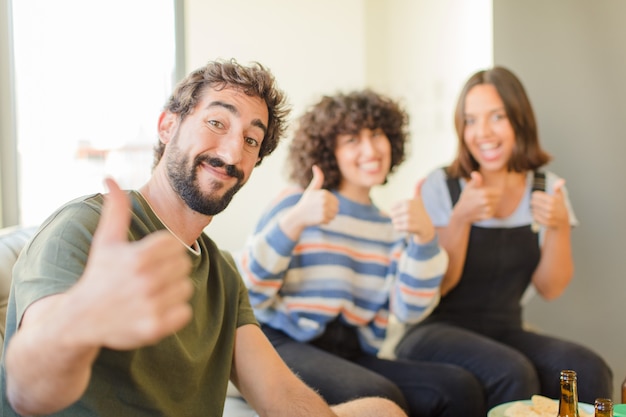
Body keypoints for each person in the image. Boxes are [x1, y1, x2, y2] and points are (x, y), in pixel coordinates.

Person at [0, 59, 409, 417]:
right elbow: (28, 392)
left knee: (383, 408)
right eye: (217, 123)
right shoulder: (81, 227)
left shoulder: (223, 273)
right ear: (167, 126)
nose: (232, 153)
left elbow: (281, 398)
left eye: (251, 140)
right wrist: (83, 317)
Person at [234, 89, 486, 417]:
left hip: (349, 350)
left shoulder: (390, 226)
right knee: (378, 395)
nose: (370, 149)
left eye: (377, 135)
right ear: (329, 150)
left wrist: (425, 239)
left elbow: (410, 311)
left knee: (459, 387)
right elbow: (249, 292)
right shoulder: (297, 203)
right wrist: (294, 222)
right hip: (281, 343)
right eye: (352, 139)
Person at [394, 66, 613, 409]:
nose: (483, 132)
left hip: (505, 326)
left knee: (587, 368)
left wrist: (557, 227)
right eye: (470, 120)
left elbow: (550, 288)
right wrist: (461, 217)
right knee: (512, 371)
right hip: (435, 328)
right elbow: (440, 286)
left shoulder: (547, 189)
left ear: (519, 120)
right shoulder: (441, 185)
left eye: (497, 117)